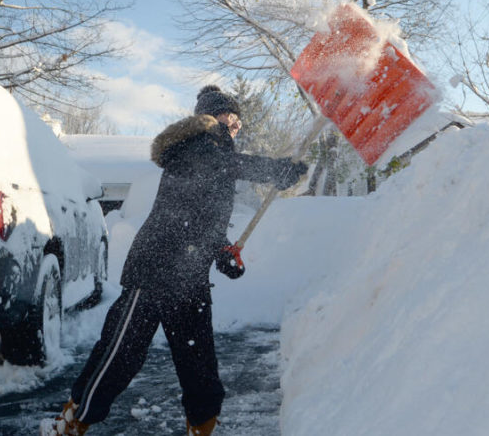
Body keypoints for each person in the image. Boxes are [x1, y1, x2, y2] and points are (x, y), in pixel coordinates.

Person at [42, 85, 309, 436]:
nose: (238, 125)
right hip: (154, 271)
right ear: (214, 116)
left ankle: (201, 426)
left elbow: (201, 219)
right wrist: (276, 170)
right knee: (119, 356)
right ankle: (72, 421)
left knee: (200, 369)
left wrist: (222, 254)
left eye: (239, 120)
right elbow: (223, 166)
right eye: (233, 117)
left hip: (190, 278)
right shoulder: (193, 147)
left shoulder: (218, 158)